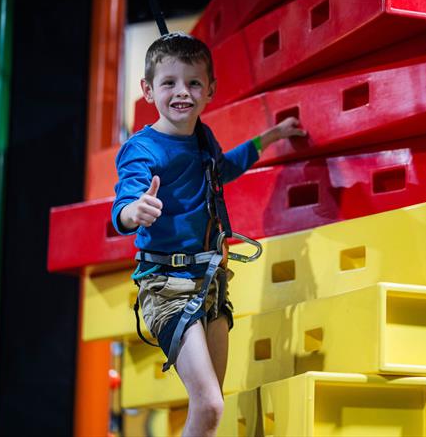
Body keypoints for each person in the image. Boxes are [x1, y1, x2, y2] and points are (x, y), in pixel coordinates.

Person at [112, 32, 306, 437]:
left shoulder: (203, 137)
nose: (182, 92)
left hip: (212, 282)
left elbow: (222, 170)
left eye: (193, 83)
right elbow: (124, 204)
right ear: (148, 90)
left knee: (211, 408)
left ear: (210, 90)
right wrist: (135, 211)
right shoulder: (141, 149)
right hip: (167, 285)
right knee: (210, 405)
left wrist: (270, 137)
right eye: (169, 83)